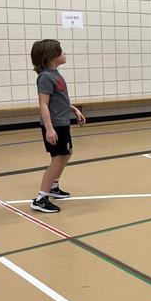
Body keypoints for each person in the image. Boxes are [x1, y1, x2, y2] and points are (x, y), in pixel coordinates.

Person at [29, 40, 86, 214]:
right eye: (61, 51)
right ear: (51, 57)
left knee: (67, 153)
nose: (65, 54)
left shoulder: (55, 74)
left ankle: (53, 187)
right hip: (55, 125)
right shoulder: (45, 77)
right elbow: (44, 104)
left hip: (63, 122)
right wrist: (49, 128)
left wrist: (74, 109)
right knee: (58, 158)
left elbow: (59, 99)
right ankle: (41, 198)